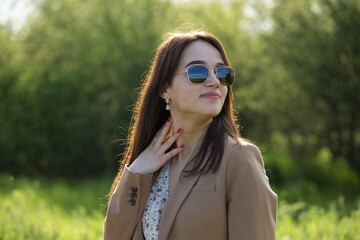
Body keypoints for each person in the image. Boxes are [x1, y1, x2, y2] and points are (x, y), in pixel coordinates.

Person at [104, 31, 277, 240]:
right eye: (197, 72)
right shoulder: (151, 167)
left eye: (222, 74)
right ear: (164, 88)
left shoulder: (239, 158)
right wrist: (137, 172)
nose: (214, 82)